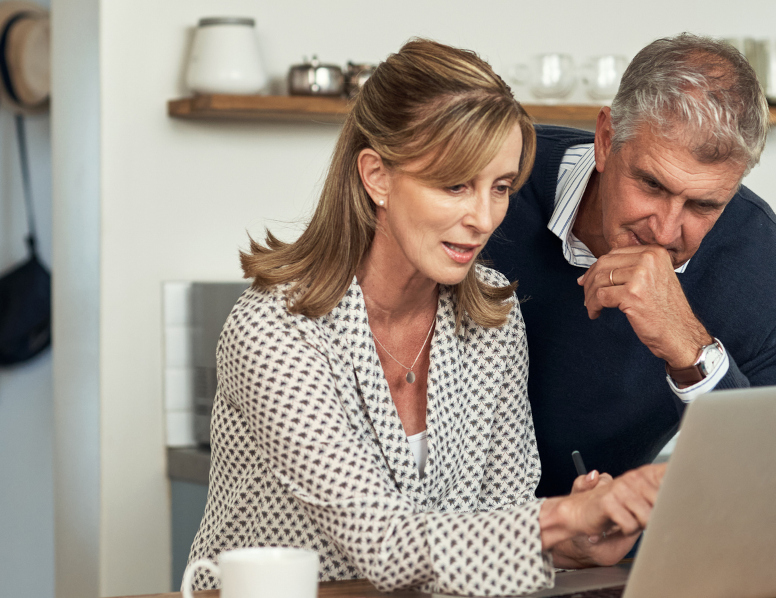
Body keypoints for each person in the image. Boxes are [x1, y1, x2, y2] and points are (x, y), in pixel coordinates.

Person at [186, 39, 665, 597]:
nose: (484, 218)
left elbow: (497, 518)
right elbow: (385, 543)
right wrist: (565, 518)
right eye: (455, 184)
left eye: (501, 187)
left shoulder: (493, 321)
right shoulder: (274, 330)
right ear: (377, 176)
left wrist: (567, 548)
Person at [485, 33, 776, 498]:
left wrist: (690, 351)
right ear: (605, 139)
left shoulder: (762, 266)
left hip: (605, 546)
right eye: (652, 185)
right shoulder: (496, 186)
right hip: (450, 537)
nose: (665, 231)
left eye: (702, 205)